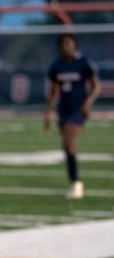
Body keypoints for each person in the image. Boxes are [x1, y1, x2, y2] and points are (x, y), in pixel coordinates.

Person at [44, 33, 100, 200]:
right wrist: (48, 113)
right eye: (63, 44)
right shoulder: (57, 66)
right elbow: (54, 92)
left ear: (75, 45)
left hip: (78, 110)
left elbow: (96, 86)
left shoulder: (83, 63)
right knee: (68, 148)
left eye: (68, 43)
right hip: (64, 109)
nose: (65, 47)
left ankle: (76, 183)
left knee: (68, 142)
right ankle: (74, 182)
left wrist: (87, 103)